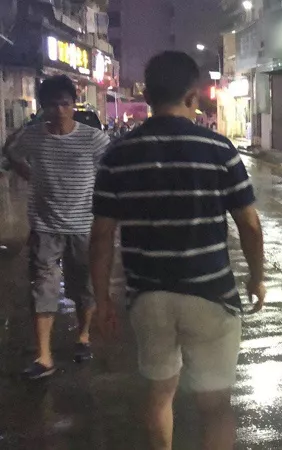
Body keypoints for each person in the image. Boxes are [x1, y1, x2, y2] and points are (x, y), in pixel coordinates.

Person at [89, 51, 265, 450]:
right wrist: (257, 277)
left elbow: (101, 236)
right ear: (192, 96)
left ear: (148, 96)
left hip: (148, 296)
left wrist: (101, 300)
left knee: (159, 394)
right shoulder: (219, 149)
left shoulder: (118, 154)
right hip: (210, 294)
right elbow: (250, 225)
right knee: (215, 405)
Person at [6, 75, 110, 379]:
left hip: (83, 226)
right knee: (42, 287)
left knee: (83, 287)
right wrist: (30, 174)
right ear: (43, 107)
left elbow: (110, 171)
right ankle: (44, 356)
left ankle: (83, 336)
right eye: (52, 105)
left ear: (74, 104)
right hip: (45, 226)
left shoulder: (93, 139)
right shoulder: (33, 136)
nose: (60, 111)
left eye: (65, 104)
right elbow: (12, 154)